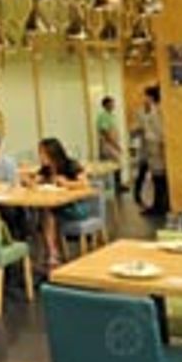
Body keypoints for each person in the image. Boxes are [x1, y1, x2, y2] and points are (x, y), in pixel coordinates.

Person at [32, 138, 89, 267]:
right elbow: (36, 180)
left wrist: (67, 183)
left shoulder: (71, 165)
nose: (40, 156)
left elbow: (85, 183)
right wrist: (32, 182)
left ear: (52, 153)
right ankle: (52, 252)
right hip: (57, 205)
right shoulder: (46, 169)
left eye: (42, 153)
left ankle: (52, 253)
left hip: (76, 206)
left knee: (48, 213)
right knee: (45, 211)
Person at [140, 85, 169, 216]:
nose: (144, 98)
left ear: (151, 97)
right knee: (157, 179)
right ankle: (158, 205)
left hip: (157, 148)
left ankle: (160, 207)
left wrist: (162, 149)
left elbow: (160, 132)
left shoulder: (157, 111)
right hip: (153, 148)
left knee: (159, 180)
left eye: (145, 96)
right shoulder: (152, 110)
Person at [95, 96, 123, 193]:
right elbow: (105, 132)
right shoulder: (103, 116)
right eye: (111, 103)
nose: (113, 105)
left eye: (113, 103)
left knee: (117, 164)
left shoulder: (112, 116)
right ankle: (113, 187)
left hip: (113, 143)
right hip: (108, 144)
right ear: (106, 105)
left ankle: (118, 185)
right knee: (111, 165)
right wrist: (115, 145)